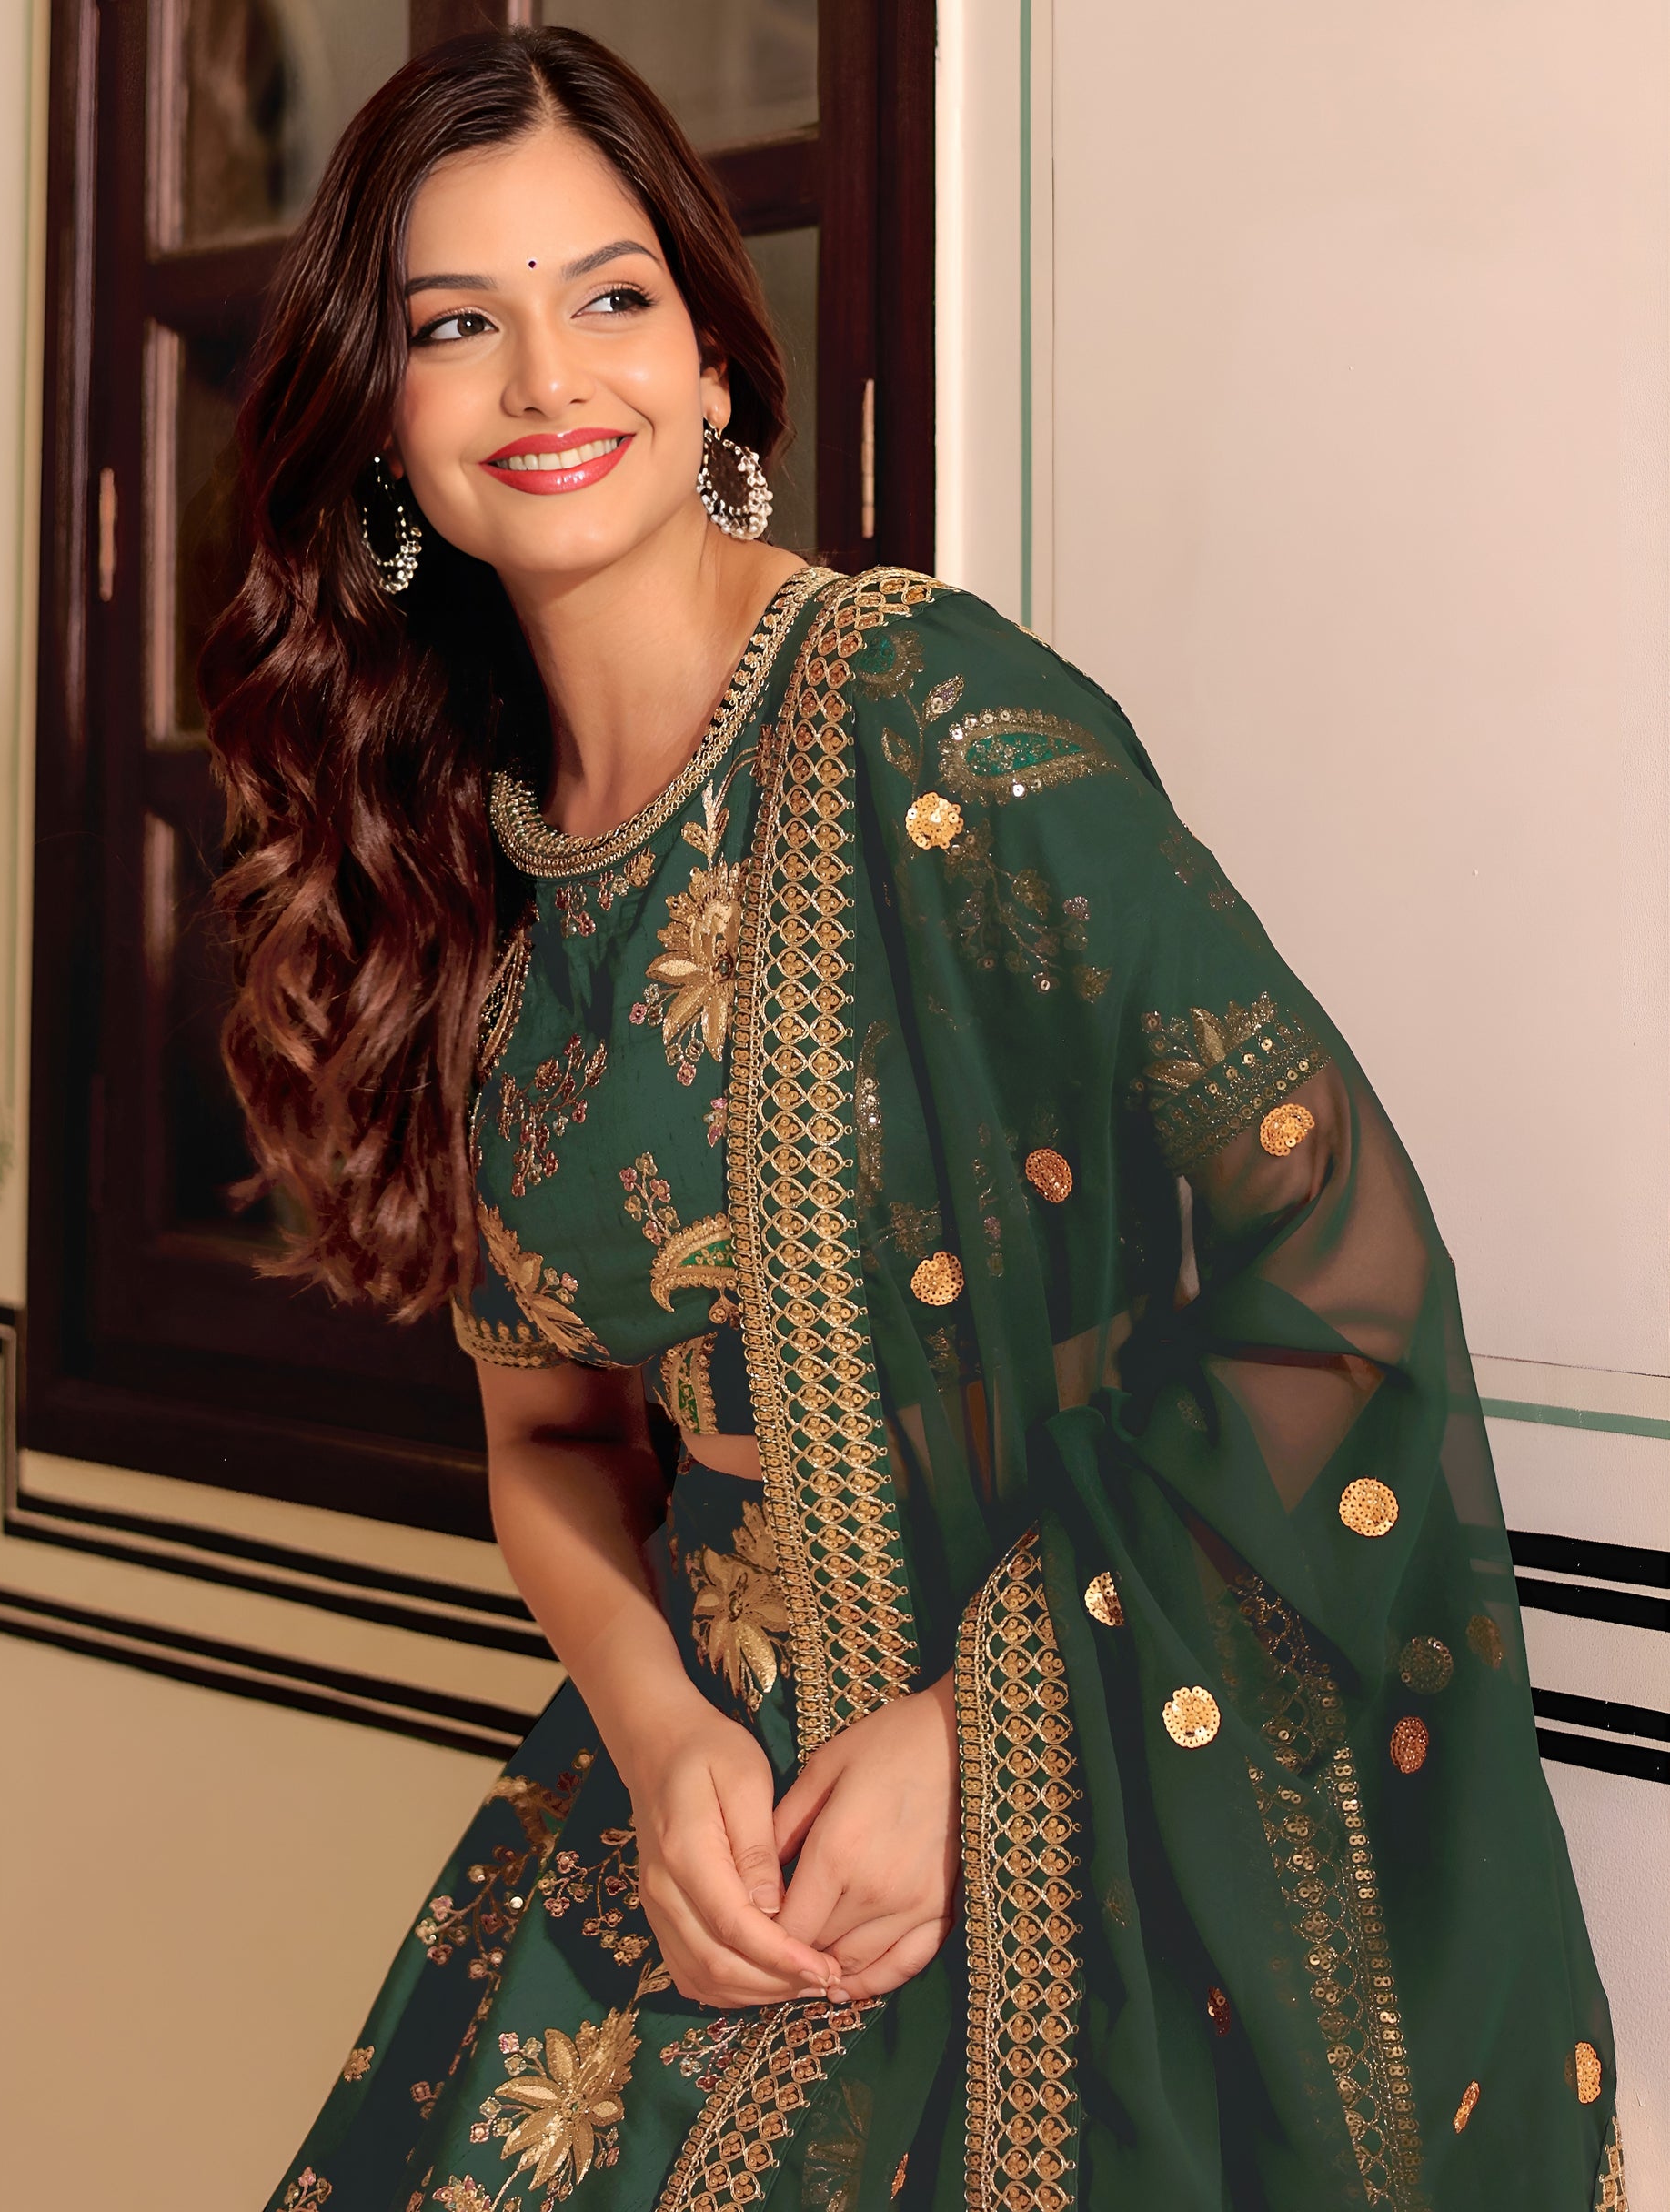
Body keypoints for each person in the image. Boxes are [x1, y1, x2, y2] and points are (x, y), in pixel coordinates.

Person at [202, 26, 1625, 2212]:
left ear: (707, 362)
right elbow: (555, 1442)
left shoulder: (939, 722)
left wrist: (979, 1742)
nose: (548, 383)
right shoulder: (453, 857)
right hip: (695, 1839)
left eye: (610, 298)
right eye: (453, 330)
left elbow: (1337, 1268)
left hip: (1060, 1842)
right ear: (379, 426)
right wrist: (662, 1732)